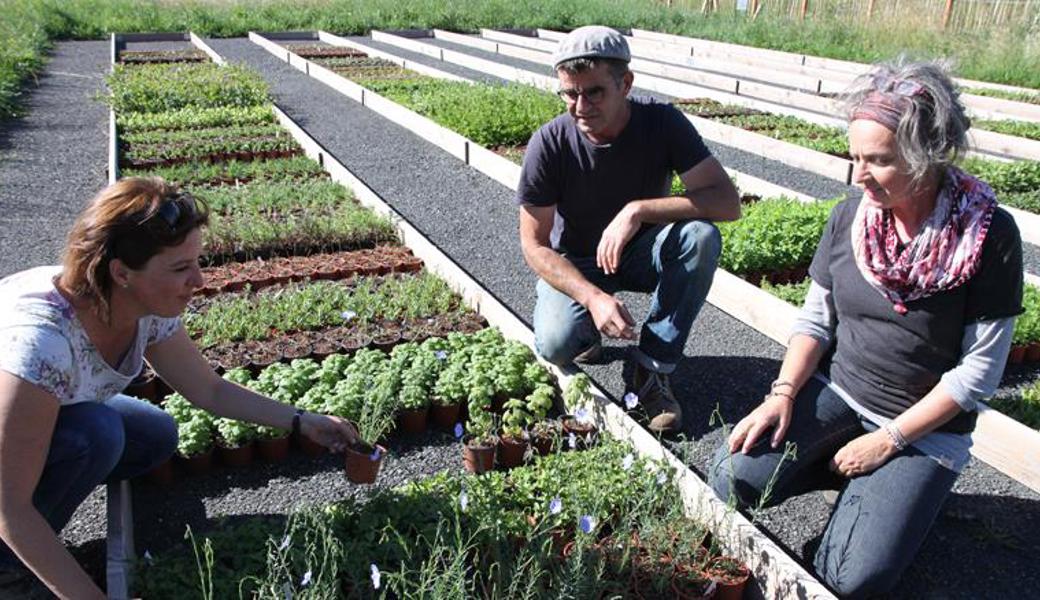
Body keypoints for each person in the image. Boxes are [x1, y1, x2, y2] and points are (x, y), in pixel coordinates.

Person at [709, 59, 1023, 598]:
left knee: (853, 578)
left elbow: (978, 373)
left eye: (878, 161)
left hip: (925, 432)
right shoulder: (850, 218)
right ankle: (849, 476)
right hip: (841, 394)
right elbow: (815, 319)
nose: (859, 175)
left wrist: (889, 441)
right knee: (732, 477)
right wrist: (782, 394)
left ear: (926, 157)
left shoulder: (987, 235)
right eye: (855, 156)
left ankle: (894, 489)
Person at [0, 177, 360, 599]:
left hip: (42, 410)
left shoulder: (142, 306)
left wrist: (302, 421)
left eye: (196, 261)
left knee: (156, 434)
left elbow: (208, 390)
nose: (200, 280)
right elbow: (9, 507)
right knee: (97, 434)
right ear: (121, 272)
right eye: (180, 268)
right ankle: (8, 570)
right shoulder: (39, 343)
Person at [517, 26, 741, 433]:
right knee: (555, 344)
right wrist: (592, 297)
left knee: (699, 238)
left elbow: (727, 202)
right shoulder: (549, 143)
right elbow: (534, 245)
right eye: (570, 93)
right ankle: (585, 328)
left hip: (641, 251)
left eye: (594, 92)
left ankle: (651, 368)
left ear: (626, 83)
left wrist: (638, 210)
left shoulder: (662, 124)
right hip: (579, 262)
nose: (580, 106)